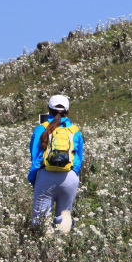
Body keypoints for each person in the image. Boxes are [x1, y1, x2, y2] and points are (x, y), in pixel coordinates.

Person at [28, 95, 84, 233]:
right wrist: (74, 172)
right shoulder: (75, 130)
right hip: (69, 176)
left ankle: (44, 250)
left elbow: (35, 157)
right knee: (64, 217)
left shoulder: (41, 128)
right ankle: (62, 246)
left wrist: (33, 178)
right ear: (68, 110)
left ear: (48, 109)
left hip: (46, 176)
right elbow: (79, 158)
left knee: (41, 220)